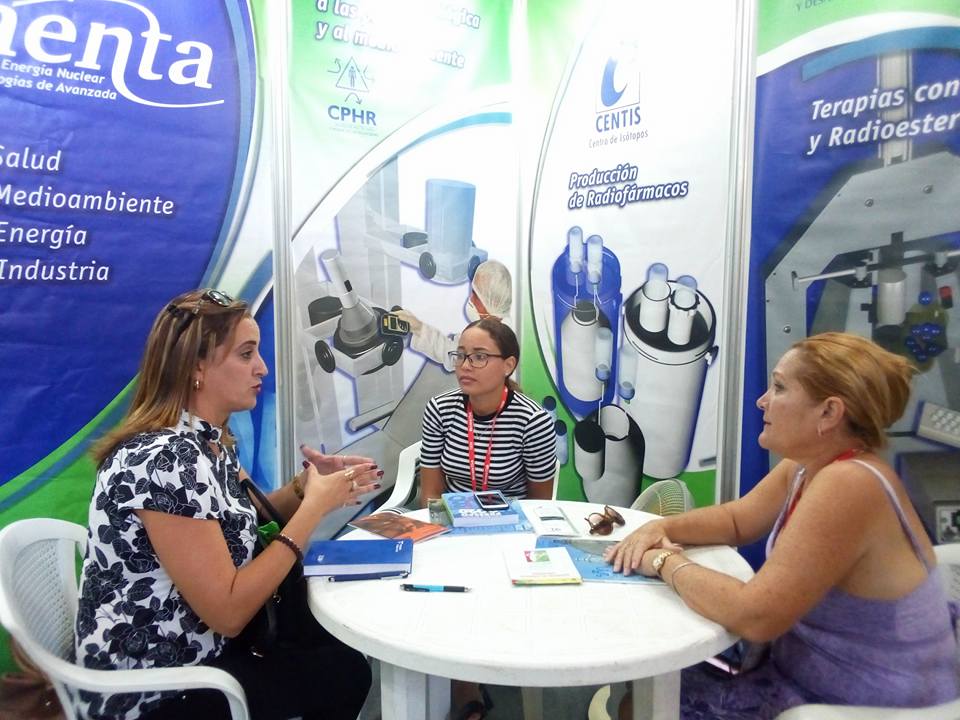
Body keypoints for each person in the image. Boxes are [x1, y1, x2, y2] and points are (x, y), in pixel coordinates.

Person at [605, 332, 959, 719]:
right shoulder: (811, 464)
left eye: (779, 387)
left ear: (829, 413)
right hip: (807, 671)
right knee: (644, 688)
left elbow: (756, 617)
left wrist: (663, 562)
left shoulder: (850, 484)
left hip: (863, 705)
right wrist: (663, 528)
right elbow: (737, 520)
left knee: (641, 704)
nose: (762, 401)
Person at [76, 289, 378, 720]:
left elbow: (244, 519)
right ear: (196, 366)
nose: (262, 368)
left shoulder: (208, 441)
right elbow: (230, 612)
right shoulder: (166, 460)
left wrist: (303, 487)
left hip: (201, 652)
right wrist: (313, 509)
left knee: (333, 649)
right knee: (342, 673)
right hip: (156, 689)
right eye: (246, 354)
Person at [418, 317, 556, 720]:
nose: (465, 365)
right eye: (461, 355)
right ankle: (461, 679)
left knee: (489, 581)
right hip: (452, 523)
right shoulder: (441, 409)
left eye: (479, 357)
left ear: (508, 364)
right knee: (439, 576)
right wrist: (439, 534)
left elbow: (538, 503)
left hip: (509, 527)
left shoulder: (532, 420)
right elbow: (431, 492)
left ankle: (484, 663)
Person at [395, 259, 512, 367]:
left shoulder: (501, 346)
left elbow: (458, 356)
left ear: (494, 302)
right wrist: (419, 328)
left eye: (476, 295)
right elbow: (453, 352)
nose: (471, 298)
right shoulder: (485, 331)